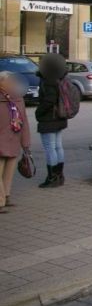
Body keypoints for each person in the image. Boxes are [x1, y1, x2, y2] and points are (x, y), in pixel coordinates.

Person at [35, 53, 69, 188]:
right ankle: (59, 175)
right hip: (59, 117)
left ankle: (52, 177)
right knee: (58, 146)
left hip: (49, 118)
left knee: (50, 148)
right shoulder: (60, 78)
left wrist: (39, 112)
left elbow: (49, 100)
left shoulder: (48, 80)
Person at [0, 72, 30, 212]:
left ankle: (6, 196)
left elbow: (24, 121)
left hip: (13, 141)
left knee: (8, 172)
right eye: (9, 81)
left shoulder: (18, 99)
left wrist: (26, 143)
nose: (12, 84)